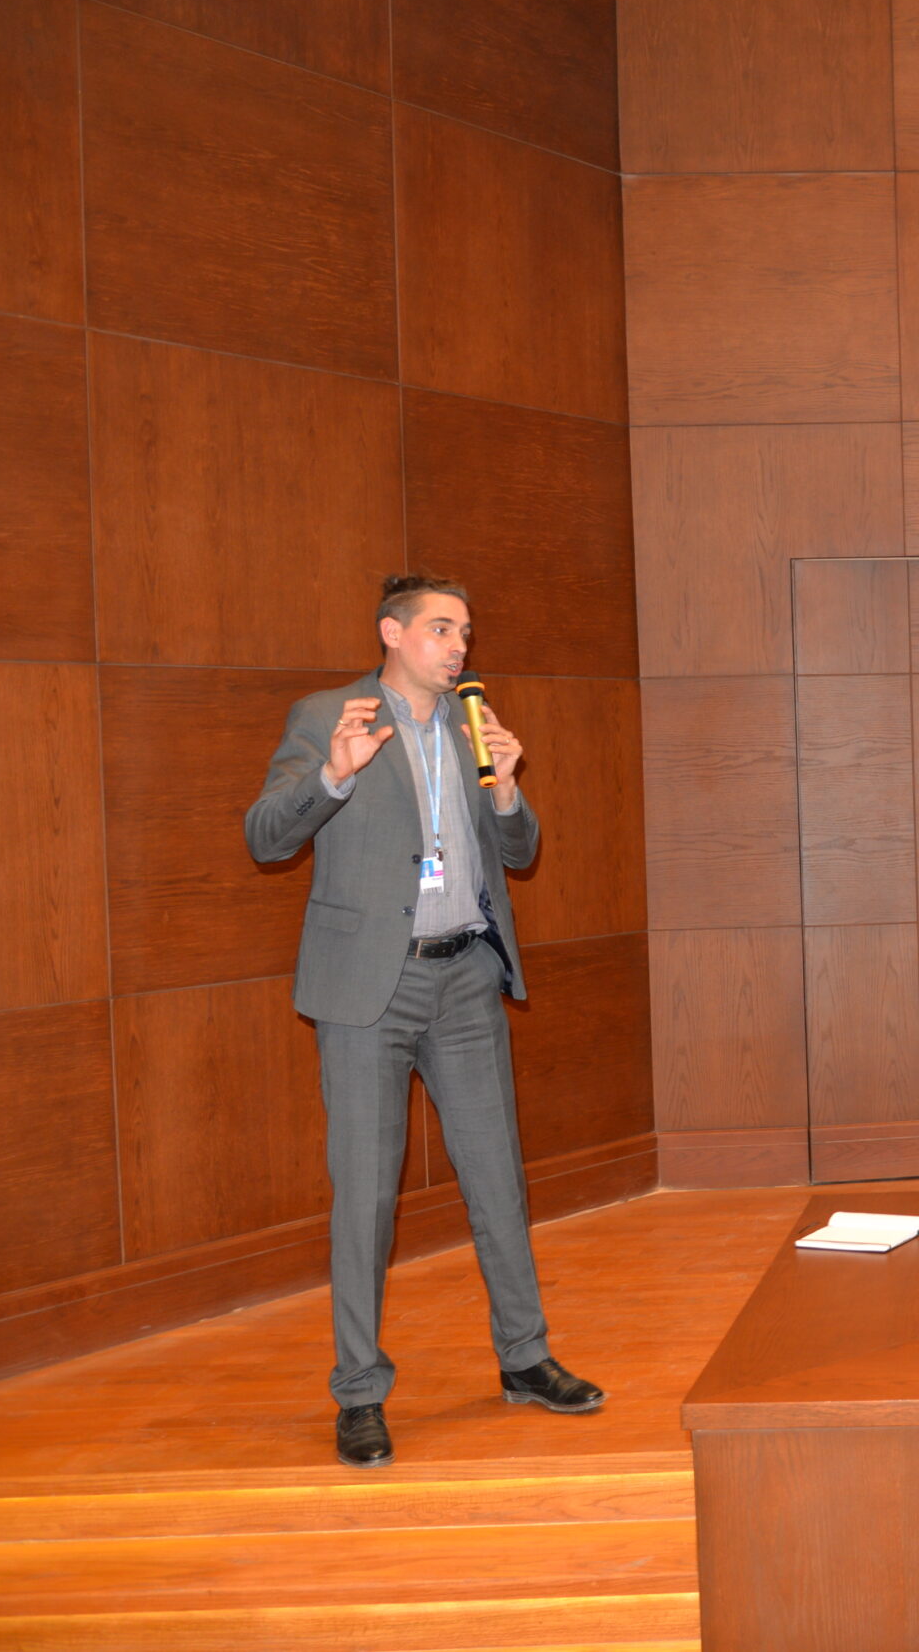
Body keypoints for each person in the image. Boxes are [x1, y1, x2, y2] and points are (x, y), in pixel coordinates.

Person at [246, 576, 603, 1467]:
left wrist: (509, 793)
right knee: (366, 1196)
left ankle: (525, 1358)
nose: (459, 646)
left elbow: (518, 853)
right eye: (442, 629)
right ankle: (359, 1391)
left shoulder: (473, 725)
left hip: (465, 978)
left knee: (497, 1179)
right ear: (392, 633)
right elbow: (265, 836)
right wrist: (333, 776)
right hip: (370, 987)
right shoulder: (330, 716)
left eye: (466, 632)